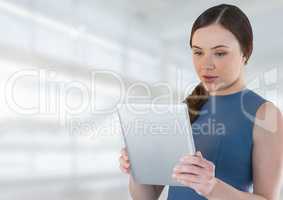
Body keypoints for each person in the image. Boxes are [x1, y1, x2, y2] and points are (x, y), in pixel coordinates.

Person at [119, 4, 283, 200]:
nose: (206, 64)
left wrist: (211, 187)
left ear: (245, 52)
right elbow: (147, 196)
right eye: (198, 52)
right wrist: (138, 169)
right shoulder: (185, 108)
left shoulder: (265, 113)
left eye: (220, 53)